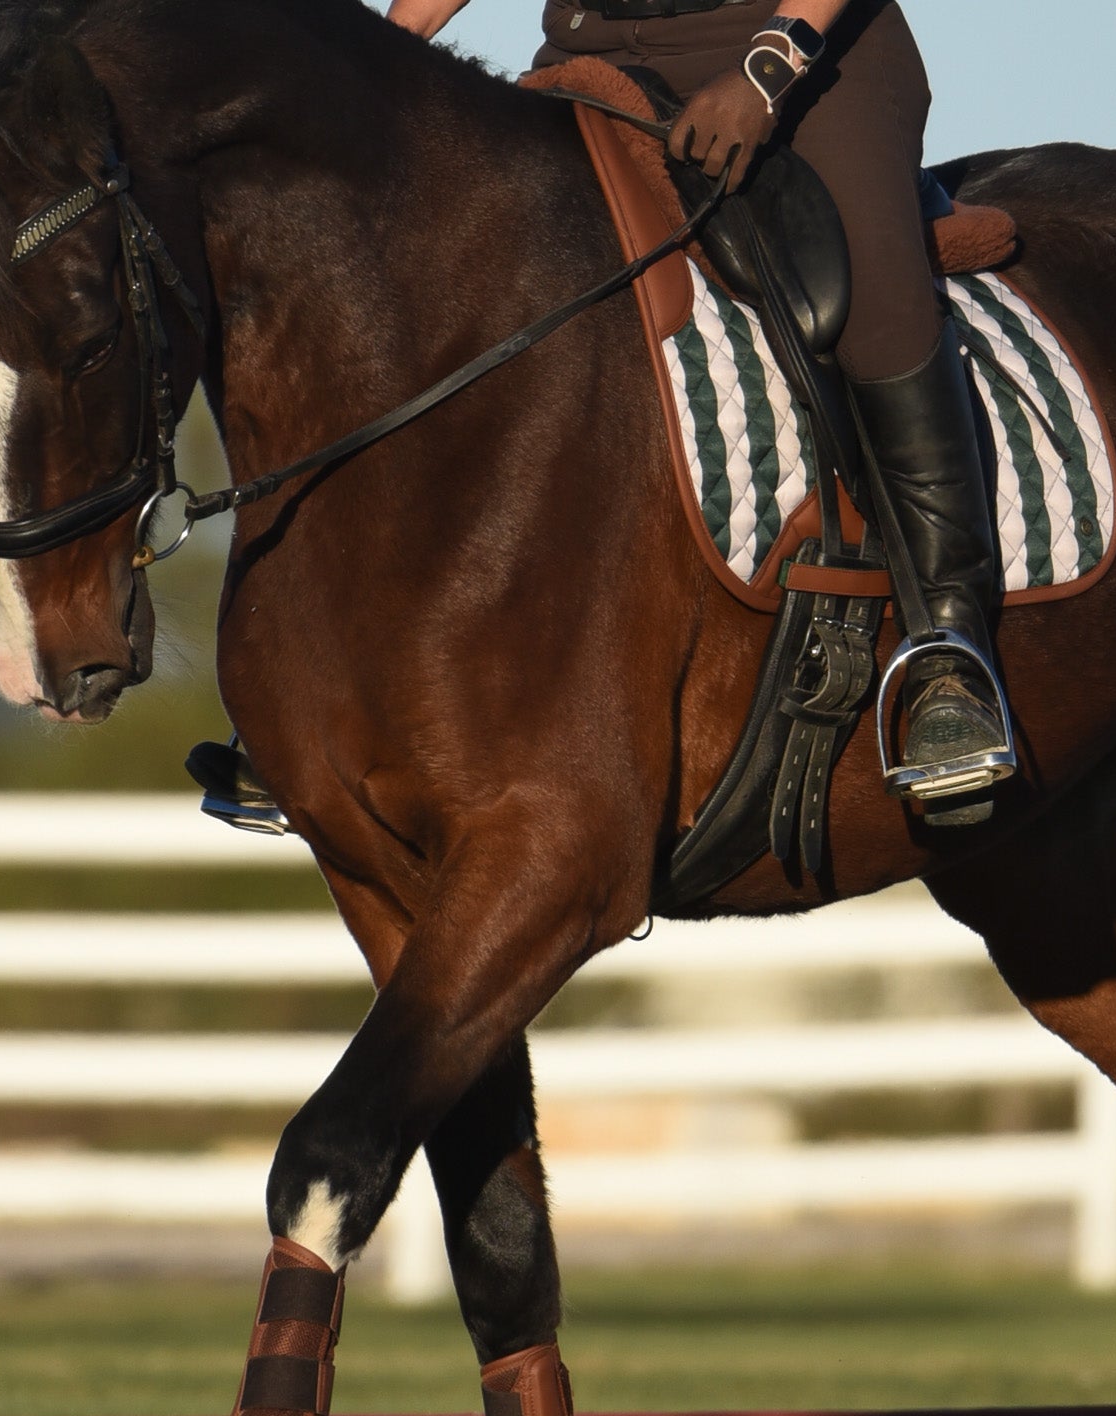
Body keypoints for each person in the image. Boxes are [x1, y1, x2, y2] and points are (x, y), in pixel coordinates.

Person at [386, 0, 1015, 812]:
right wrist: (386, 50)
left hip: (800, 52)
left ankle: (950, 653)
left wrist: (767, 68)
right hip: (596, 47)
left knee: (874, 304)